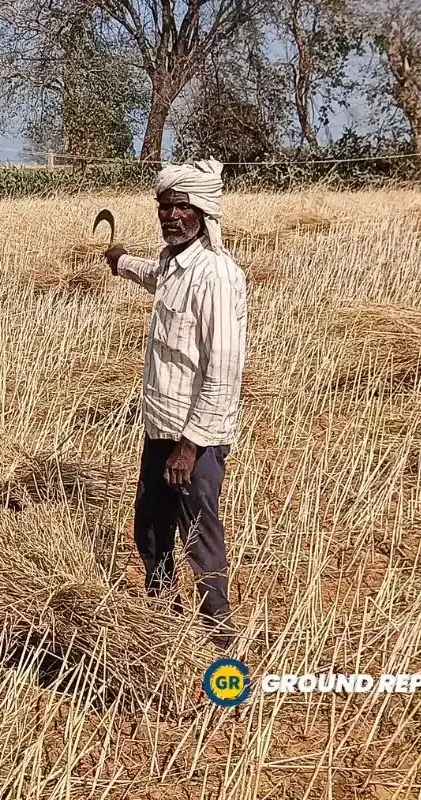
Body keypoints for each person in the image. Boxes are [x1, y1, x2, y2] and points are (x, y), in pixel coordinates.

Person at [103, 159, 247, 650]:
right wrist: (121, 261)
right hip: (160, 426)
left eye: (180, 206)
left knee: (199, 535)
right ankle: (162, 616)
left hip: (194, 438)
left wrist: (190, 446)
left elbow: (223, 370)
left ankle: (219, 636)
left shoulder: (217, 276)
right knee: (150, 525)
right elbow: (155, 276)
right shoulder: (172, 262)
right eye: (164, 206)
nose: (170, 215)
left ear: (203, 211)